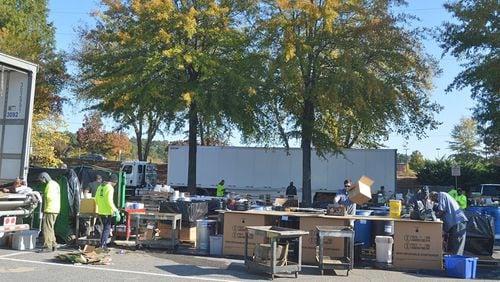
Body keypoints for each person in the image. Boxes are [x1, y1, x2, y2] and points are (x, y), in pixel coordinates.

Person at [95, 174, 119, 250]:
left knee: (104, 228)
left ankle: (101, 244)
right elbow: (109, 201)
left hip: (101, 211)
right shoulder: (110, 188)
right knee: (106, 229)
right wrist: (115, 210)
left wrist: (100, 207)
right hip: (107, 212)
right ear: (114, 182)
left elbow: (96, 198)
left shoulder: (100, 186)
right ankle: (103, 245)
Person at [38, 172, 60, 252]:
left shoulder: (49, 185)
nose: (42, 182)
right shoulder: (55, 184)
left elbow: (49, 197)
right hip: (56, 209)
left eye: (41, 179)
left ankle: (47, 246)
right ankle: (54, 244)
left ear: (44, 177)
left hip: (50, 209)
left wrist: (42, 196)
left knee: (46, 228)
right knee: (51, 228)